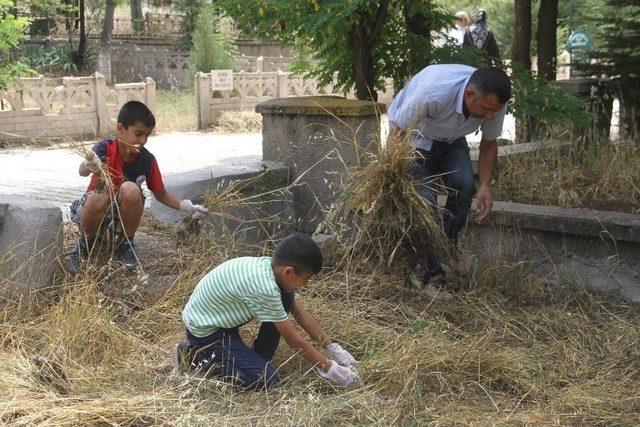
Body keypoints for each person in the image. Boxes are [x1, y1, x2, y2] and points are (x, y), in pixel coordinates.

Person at [176, 233, 362, 390]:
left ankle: (257, 358)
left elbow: (299, 312)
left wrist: (333, 348)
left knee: (286, 298)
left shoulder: (270, 269)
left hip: (221, 320)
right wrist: (331, 370)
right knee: (266, 379)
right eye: (306, 278)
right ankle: (196, 355)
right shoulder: (262, 287)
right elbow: (293, 339)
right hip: (207, 333)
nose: (305, 284)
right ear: (288, 272)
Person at [387, 65, 511, 293]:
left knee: (464, 187)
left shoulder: (494, 102)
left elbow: (489, 142)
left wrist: (484, 185)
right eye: (486, 110)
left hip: (452, 138)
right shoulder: (432, 91)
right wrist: (392, 174)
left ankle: (444, 248)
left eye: (494, 111)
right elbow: (398, 131)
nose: (490, 116)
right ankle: (430, 274)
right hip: (416, 137)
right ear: (469, 95)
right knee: (425, 202)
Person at [64, 100, 208, 274]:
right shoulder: (105, 148)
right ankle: (84, 245)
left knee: (132, 189)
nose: (143, 141)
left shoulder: (147, 160)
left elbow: (161, 194)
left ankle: (125, 245)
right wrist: (89, 164)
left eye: (147, 136)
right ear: (121, 129)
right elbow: (82, 172)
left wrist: (188, 207)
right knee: (96, 197)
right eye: (138, 134)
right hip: (93, 218)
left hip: (118, 226)